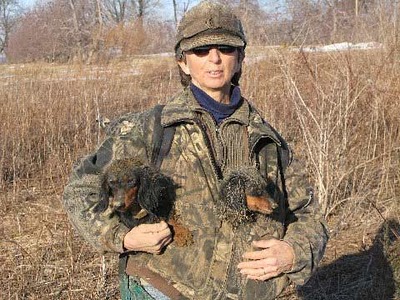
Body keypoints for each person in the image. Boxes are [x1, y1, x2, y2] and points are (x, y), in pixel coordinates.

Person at [62, 1, 329, 299]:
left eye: (226, 49)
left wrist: (294, 253)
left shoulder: (267, 140)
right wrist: (123, 237)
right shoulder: (149, 128)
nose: (214, 59)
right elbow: (80, 190)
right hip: (160, 289)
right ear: (183, 62)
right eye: (201, 50)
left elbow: (308, 215)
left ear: (240, 59)